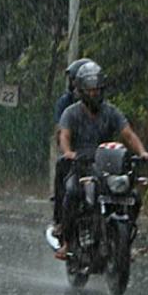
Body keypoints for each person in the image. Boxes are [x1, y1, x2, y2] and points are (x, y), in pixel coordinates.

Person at [54, 62, 148, 260]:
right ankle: (67, 241)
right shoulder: (71, 112)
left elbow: (128, 134)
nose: (94, 94)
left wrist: (143, 152)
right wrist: (68, 152)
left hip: (107, 165)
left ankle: (123, 243)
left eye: (97, 90)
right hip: (81, 164)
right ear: (82, 91)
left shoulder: (111, 112)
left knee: (133, 196)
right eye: (90, 90)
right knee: (73, 193)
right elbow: (64, 136)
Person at [51, 58, 91, 232]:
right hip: (75, 152)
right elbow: (61, 131)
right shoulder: (65, 103)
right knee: (62, 170)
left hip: (96, 153)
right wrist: (68, 150)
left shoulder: (102, 106)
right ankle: (60, 219)